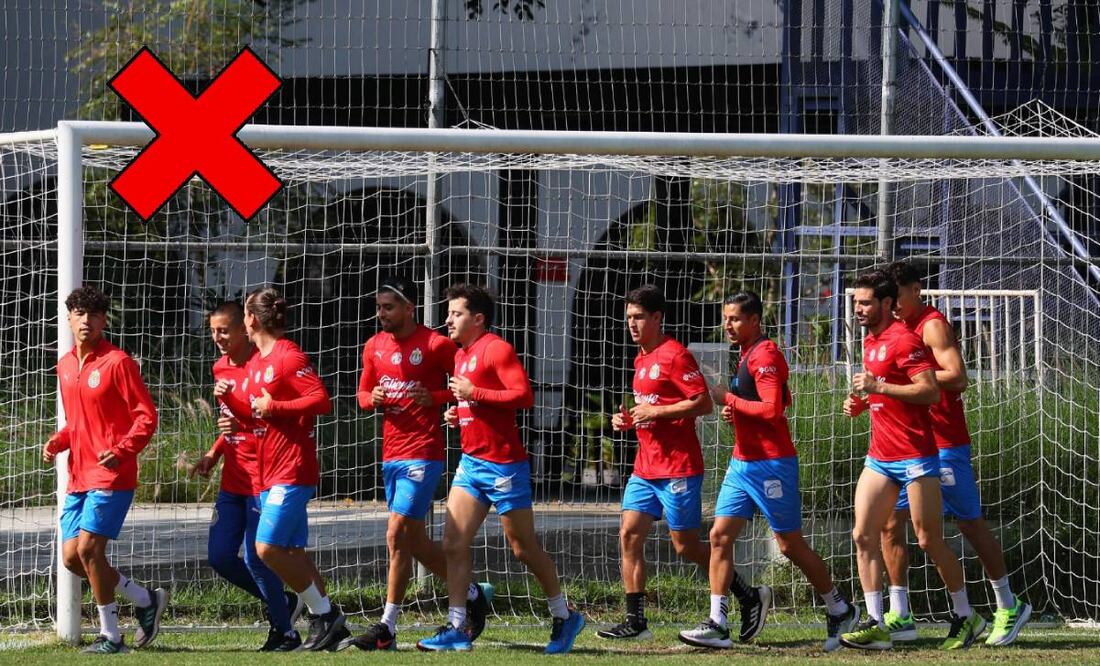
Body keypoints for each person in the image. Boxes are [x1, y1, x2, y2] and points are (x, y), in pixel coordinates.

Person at [679, 291, 859, 651]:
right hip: (742, 463)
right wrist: (735, 411)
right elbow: (763, 403)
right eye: (726, 318)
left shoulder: (765, 354)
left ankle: (840, 608)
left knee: (790, 545)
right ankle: (717, 623)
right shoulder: (746, 352)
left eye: (735, 319)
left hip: (772, 465)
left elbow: (773, 409)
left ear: (754, 320)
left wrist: (728, 399)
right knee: (719, 536)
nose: (728, 325)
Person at [416, 284, 585, 654]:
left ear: (478, 319)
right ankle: (457, 627)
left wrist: (474, 395)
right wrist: (459, 412)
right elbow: (476, 401)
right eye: (449, 313)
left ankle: (565, 615)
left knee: (523, 549)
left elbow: (522, 395)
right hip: (471, 464)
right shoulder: (462, 356)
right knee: (453, 544)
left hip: (505, 466)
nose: (448, 320)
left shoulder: (497, 349)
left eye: (456, 313)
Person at [878, 261, 1031, 646]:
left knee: (968, 524)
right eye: (888, 298)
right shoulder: (894, 329)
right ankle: (900, 614)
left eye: (898, 295)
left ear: (916, 289)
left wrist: (911, 379)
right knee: (890, 524)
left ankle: (1008, 605)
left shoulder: (932, 325)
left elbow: (958, 376)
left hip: (944, 443)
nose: (893, 304)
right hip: (907, 444)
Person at [338, 277, 491, 651]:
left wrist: (435, 397)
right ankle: (473, 593)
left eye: (388, 307)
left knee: (395, 534)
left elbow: (465, 382)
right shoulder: (374, 345)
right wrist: (371, 398)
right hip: (392, 454)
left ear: (409, 308)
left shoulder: (436, 344)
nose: (381, 314)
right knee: (416, 542)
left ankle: (387, 627)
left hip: (424, 453)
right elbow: (362, 394)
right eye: (379, 307)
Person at [840, 270, 985, 651]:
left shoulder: (905, 340)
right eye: (856, 302)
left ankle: (966, 614)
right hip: (880, 457)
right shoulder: (870, 341)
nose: (859, 309)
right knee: (863, 535)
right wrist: (864, 402)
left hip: (916, 457)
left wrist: (878, 386)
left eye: (866, 302)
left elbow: (930, 391)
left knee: (928, 540)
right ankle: (876, 623)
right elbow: (888, 395)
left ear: (886, 303)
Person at [215, 287, 348, 651]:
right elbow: (255, 415)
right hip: (267, 470)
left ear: (251, 319)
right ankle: (329, 628)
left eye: (244, 315)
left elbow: (320, 400)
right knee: (292, 552)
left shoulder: (288, 356)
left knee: (266, 549)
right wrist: (230, 402)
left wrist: (275, 407)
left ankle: (325, 615)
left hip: (292, 468)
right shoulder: (256, 363)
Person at [43, 286, 167, 653]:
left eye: (94, 315)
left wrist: (122, 450)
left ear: (104, 321)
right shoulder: (65, 366)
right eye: (80, 314)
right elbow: (79, 423)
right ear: (69, 319)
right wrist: (59, 441)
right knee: (72, 558)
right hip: (79, 475)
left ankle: (111, 636)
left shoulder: (117, 362)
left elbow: (146, 417)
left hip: (112, 475)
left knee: (89, 550)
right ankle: (144, 599)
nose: (86, 320)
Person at [600, 285, 713, 640]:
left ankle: (744, 591)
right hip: (645, 468)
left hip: (678, 466)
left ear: (657, 318)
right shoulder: (641, 359)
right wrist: (628, 420)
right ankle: (635, 622)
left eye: (639, 317)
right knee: (629, 534)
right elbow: (649, 409)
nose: (632, 324)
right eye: (628, 318)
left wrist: (656, 412)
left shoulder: (675, 355)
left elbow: (703, 403)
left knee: (685, 546)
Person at [191, 301, 303, 651]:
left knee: (258, 557)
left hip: (262, 477)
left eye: (224, 330)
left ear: (245, 328)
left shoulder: (264, 366)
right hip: (233, 479)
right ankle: (283, 602)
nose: (218, 338)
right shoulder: (220, 368)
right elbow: (233, 422)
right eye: (213, 331)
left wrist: (241, 425)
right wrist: (214, 452)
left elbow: (266, 422)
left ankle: (285, 630)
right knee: (220, 557)